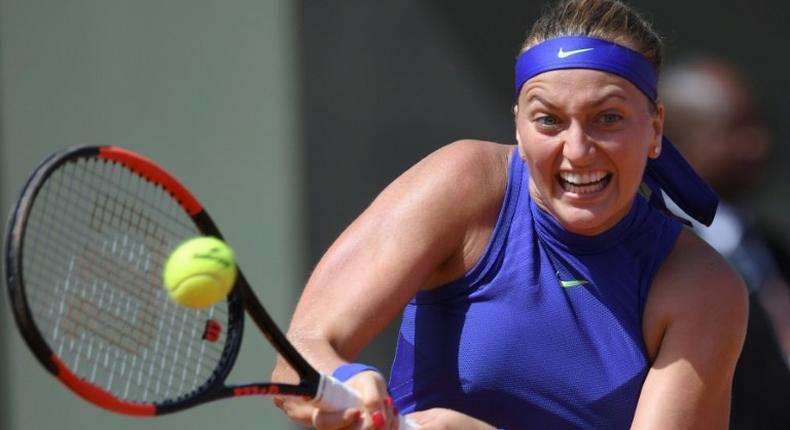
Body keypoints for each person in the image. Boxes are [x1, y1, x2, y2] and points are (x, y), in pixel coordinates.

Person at [272, 0, 748, 428]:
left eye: (608, 118)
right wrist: (346, 380)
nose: (578, 151)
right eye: (549, 120)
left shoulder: (701, 287)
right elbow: (301, 354)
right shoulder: (464, 181)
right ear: (518, 125)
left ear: (655, 129)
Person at [661, 57, 790, 429]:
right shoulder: (653, 249)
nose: (758, 144)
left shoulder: (772, 246)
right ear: (673, 142)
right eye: (736, 130)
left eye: (758, 125)